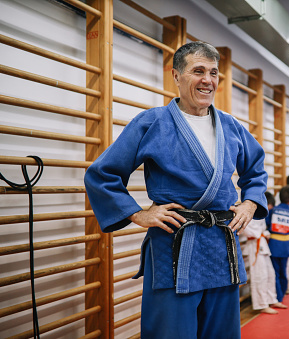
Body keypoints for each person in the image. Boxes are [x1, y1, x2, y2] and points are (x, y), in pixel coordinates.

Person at [84, 41, 268, 338]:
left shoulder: (231, 127)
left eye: (213, 72)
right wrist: (137, 214)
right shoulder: (152, 123)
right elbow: (102, 174)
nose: (208, 80)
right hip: (175, 244)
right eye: (198, 71)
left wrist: (250, 203)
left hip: (221, 245)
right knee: (171, 332)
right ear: (176, 76)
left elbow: (256, 169)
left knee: (222, 333)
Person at [241, 192, 286, 314]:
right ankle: (261, 304)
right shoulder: (248, 213)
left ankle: (272, 299)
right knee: (259, 276)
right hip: (254, 245)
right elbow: (248, 231)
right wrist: (261, 233)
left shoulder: (260, 214)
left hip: (263, 245)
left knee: (270, 274)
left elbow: (263, 229)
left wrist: (265, 233)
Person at [267, 185, 289, 303]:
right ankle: (282, 294)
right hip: (285, 245)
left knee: (275, 271)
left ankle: (278, 295)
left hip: (274, 244)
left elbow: (268, 224)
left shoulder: (273, 210)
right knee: (283, 271)